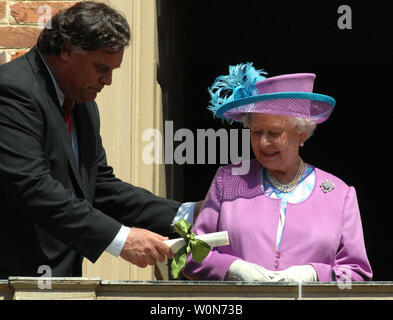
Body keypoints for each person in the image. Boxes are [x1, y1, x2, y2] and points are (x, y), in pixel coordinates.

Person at [0, 1, 197, 278]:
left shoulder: (82, 103)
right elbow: (33, 187)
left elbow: (100, 187)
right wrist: (122, 239)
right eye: (101, 68)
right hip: (11, 281)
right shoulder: (12, 90)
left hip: (60, 280)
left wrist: (186, 214)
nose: (108, 81)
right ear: (67, 50)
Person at [182, 62, 372, 282]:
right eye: (256, 132)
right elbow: (193, 255)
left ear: (301, 133)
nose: (263, 142)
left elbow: (356, 273)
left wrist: (314, 275)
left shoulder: (340, 195)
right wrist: (233, 269)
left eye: (274, 133)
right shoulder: (229, 179)